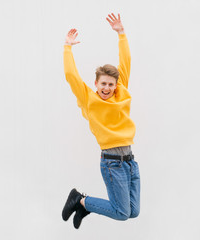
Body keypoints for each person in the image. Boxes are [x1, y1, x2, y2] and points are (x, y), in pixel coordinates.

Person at [61, 13, 141, 229]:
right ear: (96, 84)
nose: (107, 88)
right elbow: (71, 75)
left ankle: (84, 206)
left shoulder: (121, 92)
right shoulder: (89, 98)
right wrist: (67, 47)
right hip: (112, 162)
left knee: (133, 212)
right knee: (122, 213)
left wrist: (121, 34)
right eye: (103, 84)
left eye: (110, 85)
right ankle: (81, 200)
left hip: (130, 161)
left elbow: (126, 62)